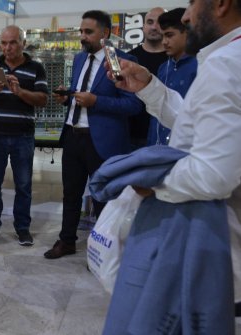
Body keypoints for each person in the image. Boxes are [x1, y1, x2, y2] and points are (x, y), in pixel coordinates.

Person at [107, 0, 241, 319]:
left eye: (193, 3)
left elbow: (212, 175)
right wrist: (151, 89)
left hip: (217, 251)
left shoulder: (227, 62)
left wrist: (152, 181)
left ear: (221, 4)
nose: (186, 16)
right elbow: (193, 123)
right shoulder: (225, 58)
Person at [45, 10, 142, 259]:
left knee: (103, 198)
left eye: (88, 32)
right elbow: (80, 93)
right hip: (73, 135)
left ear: (105, 33)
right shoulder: (79, 59)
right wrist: (66, 97)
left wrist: (96, 101)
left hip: (102, 141)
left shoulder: (120, 61)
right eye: (81, 31)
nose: (82, 36)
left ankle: (103, 249)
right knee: (70, 194)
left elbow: (133, 105)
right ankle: (66, 241)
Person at [0, 25, 48, 246]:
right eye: (4, 43)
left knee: (24, 185)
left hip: (22, 136)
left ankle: (22, 227)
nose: (8, 47)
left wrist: (20, 92)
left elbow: (43, 99)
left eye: (13, 42)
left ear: (23, 43)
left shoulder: (36, 68)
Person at [146, 8, 197, 146]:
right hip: (158, 148)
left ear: (186, 33)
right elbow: (156, 113)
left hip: (186, 147)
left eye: (169, 35)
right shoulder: (164, 68)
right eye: (162, 36)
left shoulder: (200, 65)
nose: (164, 42)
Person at [128, 7, 168, 148]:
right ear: (143, 27)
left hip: (166, 134)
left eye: (160, 23)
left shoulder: (175, 59)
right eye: (150, 22)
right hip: (132, 134)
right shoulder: (129, 57)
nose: (154, 27)